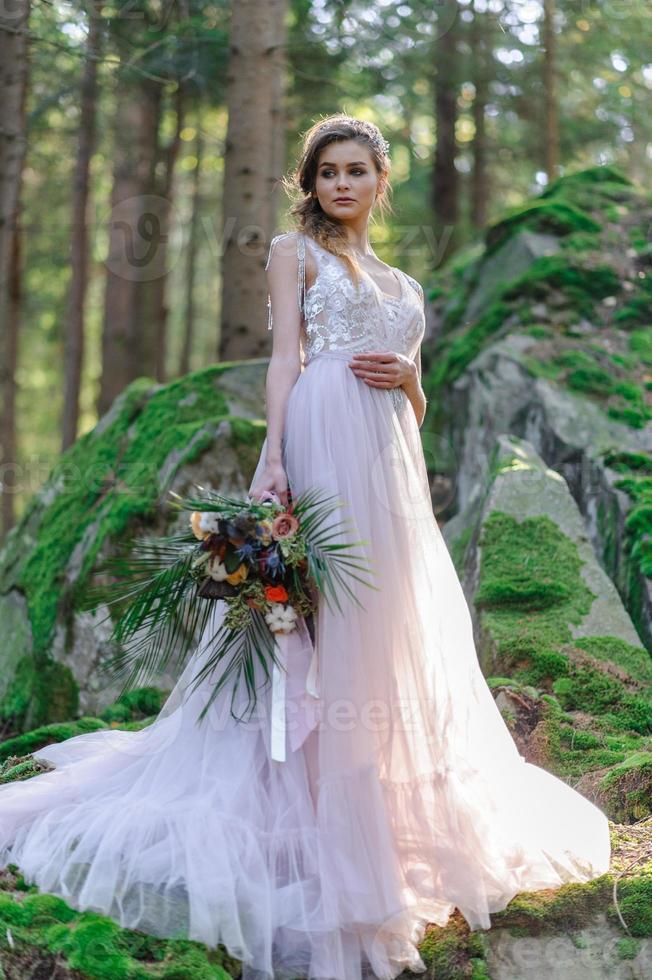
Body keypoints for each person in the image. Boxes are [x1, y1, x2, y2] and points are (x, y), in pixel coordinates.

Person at [0, 114, 611, 980]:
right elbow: (283, 361)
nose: (342, 186)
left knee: (383, 622)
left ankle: (378, 805)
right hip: (320, 443)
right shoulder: (296, 255)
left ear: (380, 179)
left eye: (357, 171)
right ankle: (304, 810)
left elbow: (416, 406)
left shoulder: (406, 288)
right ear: (311, 182)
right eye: (328, 172)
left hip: (389, 470)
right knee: (308, 619)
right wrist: (273, 457)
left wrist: (413, 381)